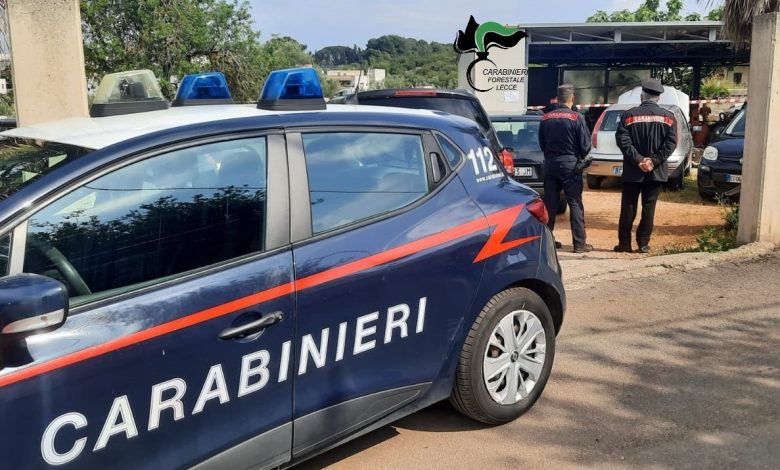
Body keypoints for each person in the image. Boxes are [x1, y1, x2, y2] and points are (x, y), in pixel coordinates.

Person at [614, 78, 677, 254]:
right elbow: (671, 144)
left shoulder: (628, 115)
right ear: (658, 98)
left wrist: (639, 160)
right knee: (649, 207)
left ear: (643, 95)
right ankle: (643, 244)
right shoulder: (669, 117)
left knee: (628, 206)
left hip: (633, 170)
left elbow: (622, 140)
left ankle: (625, 244)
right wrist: (654, 161)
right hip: (656, 172)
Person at [538, 84, 593, 253]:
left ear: (557, 99)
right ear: (572, 99)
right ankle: (579, 244)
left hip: (551, 164)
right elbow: (585, 146)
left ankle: (546, 243)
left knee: (550, 205)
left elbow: (542, 143)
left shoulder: (545, 118)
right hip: (571, 166)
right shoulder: (577, 118)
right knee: (575, 203)